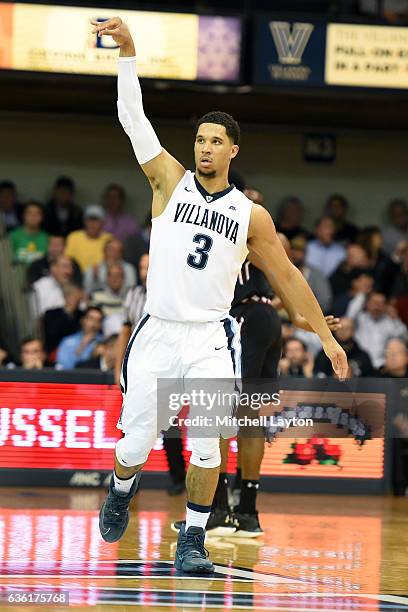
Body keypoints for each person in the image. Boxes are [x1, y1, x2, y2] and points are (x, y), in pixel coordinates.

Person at [92, 16, 347, 576]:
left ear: (232, 150)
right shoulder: (168, 181)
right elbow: (131, 118)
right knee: (135, 443)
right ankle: (120, 487)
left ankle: (194, 538)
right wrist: (128, 52)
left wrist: (325, 337)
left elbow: (288, 279)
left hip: (210, 337)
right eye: (200, 139)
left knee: (207, 444)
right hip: (157, 332)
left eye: (214, 141)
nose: (204, 148)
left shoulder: (250, 216)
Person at [351, 292, 407, 368]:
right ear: (367, 304)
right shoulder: (359, 319)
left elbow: (404, 338)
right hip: (360, 364)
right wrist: (362, 294)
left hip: (383, 367)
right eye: (374, 302)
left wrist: (395, 319)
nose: (377, 306)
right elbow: (350, 315)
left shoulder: (390, 321)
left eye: (381, 303)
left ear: (385, 306)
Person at [290, 236, 332, 313]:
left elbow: (324, 302)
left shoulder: (317, 276)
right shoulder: (282, 270)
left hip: (306, 317)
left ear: (305, 253)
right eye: (293, 250)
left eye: (299, 251)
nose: (295, 254)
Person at [65, 205, 112, 273]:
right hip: (76, 277)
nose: (92, 224)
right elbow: (67, 260)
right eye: (90, 220)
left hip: (102, 278)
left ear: (103, 223)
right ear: (84, 221)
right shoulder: (73, 237)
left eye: (96, 220)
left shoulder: (109, 239)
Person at [43, 284, 85, 354]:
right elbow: (52, 333)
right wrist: (68, 312)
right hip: (56, 351)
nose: (78, 301)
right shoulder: (51, 314)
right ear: (66, 297)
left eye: (79, 298)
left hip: (78, 350)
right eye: (75, 297)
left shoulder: (82, 315)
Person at [357, 226, 398, 296]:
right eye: (378, 238)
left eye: (381, 238)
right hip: (361, 294)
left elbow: (392, 277)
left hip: (382, 295)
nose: (381, 240)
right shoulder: (359, 255)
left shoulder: (385, 258)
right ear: (369, 239)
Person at [8, 201, 48, 266]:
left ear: (42, 217)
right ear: (24, 215)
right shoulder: (12, 236)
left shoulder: (47, 238)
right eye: (29, 213)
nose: (33, 216)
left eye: (37, 214)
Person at [91, 263, 127, 336]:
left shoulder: (130, 296)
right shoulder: (97, 296)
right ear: (107, 278)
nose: (114, 279)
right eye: (111, 276)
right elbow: (92, 321)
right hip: (102, 337)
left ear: (123, 278)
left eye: (118, 275)